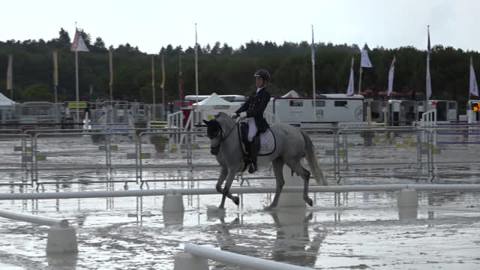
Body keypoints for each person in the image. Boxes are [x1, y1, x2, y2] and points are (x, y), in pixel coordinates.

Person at [234, 69, 271, 173]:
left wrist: (246, 114)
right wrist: (236, 113)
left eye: (259, 79)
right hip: (248, 120)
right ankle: (243, 158)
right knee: (238, 132)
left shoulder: (266, 94)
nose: (257, 81)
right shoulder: (254, 93)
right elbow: (246, 105)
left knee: (250, 137)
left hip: (256, 121)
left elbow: (259, 111)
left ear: (265, 82)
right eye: (256, 79)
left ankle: (253, 163)